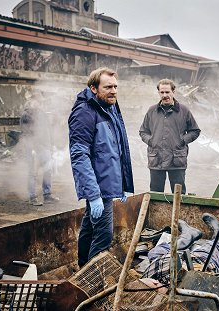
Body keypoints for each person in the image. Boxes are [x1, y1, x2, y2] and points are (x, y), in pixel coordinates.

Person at [69, 67, 134, 267]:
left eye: (115, 86)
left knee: (89, 227)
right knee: (104, 236)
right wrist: (93, 194)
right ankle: (93, 277)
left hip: (107, 183)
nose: (113, 90)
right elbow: (79, 155)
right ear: (94, 88)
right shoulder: (84, 112)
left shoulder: (110, 107)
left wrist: (123, 182)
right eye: (108, 87)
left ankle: (82, 268)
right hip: (99, 187)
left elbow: (117, 148)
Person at [139, 79, 200, 194]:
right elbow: (143, 131)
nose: (165, 95)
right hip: (156, 160)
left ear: (173, 92)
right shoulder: (152, 111)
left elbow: (195, 131)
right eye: (162, 92)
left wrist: (182, 141)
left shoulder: (184, 111)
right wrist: (151, 141)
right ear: (158, 93)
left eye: (167, 92)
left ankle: (178, 213)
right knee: (155, 195)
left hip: (177, 160)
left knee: (179, 195)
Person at [141, 213, 219, 284]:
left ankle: (186, 237)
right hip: (192, 268)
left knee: (154, 253)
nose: (155, 284)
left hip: (160, 263)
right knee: (209, 252)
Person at [20, 91, 59, 206]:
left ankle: (47, 195)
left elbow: (47, 130)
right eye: (38, 101)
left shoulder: (42, 113)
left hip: (44, 146)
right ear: (32, 101)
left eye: (40, 101)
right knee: (32, 172)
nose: (39, 103)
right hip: (32, 147)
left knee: (48, 169)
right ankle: (32, 197)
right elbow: (26, 132)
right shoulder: (26, 115)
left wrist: (51, 145)